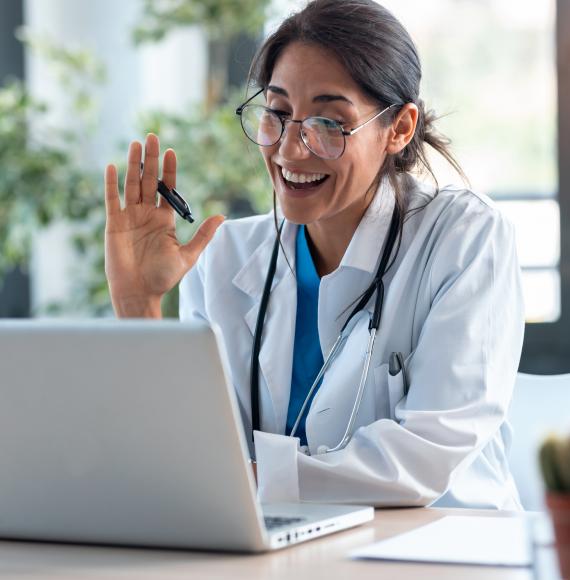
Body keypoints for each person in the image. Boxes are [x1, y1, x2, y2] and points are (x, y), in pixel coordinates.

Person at [104, 0, 525, 509]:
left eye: (328, 122)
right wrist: (139, 306)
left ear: (399, 128)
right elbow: (187, 456)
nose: (290, 150)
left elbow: (425, 458)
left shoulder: (464, 238)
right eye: (277, 114)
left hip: (442, 547)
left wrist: (249, 481)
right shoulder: (224, 258)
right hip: (283, 550)